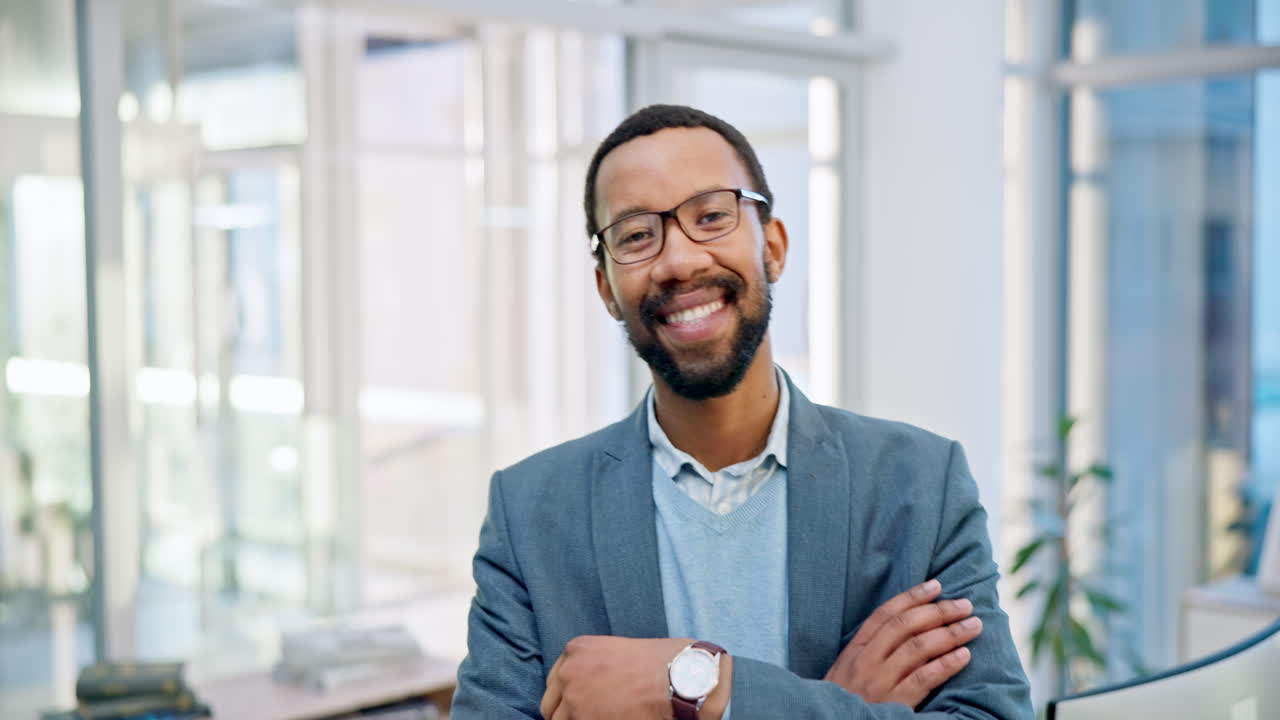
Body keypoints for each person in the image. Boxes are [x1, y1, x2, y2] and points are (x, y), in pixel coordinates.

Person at [451, 104, 1032, 719]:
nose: (679, 261)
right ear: (606, 291)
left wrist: (708, 689)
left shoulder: (920, 484)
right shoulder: (530, 512)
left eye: (711, 216)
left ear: (773, 247)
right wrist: (840, 707)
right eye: (637, 236)